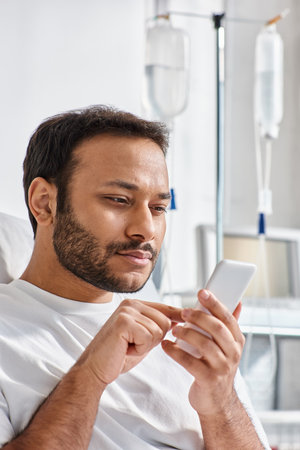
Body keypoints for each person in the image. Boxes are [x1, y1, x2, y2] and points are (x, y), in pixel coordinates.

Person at [0, 105, 270, 449]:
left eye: (158, 208)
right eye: (118, 200)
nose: (146, 229)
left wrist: (221, 402)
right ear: (45, 203)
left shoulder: (187, 344)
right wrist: (91, 375)